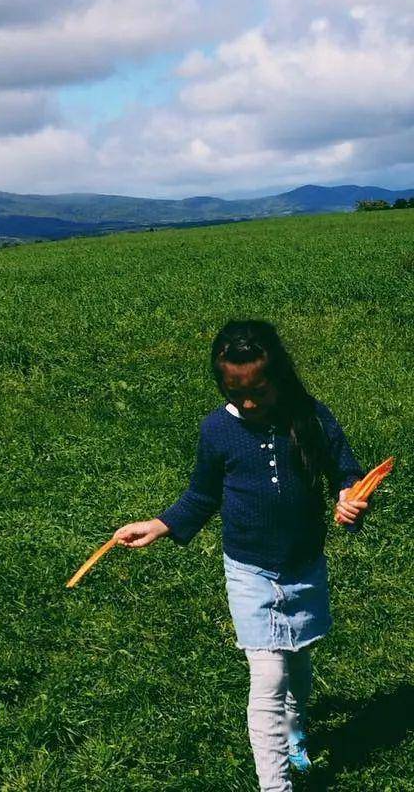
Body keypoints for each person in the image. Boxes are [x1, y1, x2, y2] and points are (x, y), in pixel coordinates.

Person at [113, 320, 368, 792]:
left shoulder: (310, 416)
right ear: (222, 382)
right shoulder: (217, 430)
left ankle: (295, 734)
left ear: (280, 376)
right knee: (269, 677)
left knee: (299, 661)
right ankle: (276, 785)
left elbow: (345, 470)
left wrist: (350, 496)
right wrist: (162, 524)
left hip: (305, 565)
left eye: (261, 389)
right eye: (236, 390)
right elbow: (202, 495)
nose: (250, 402)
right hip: (250, 572)